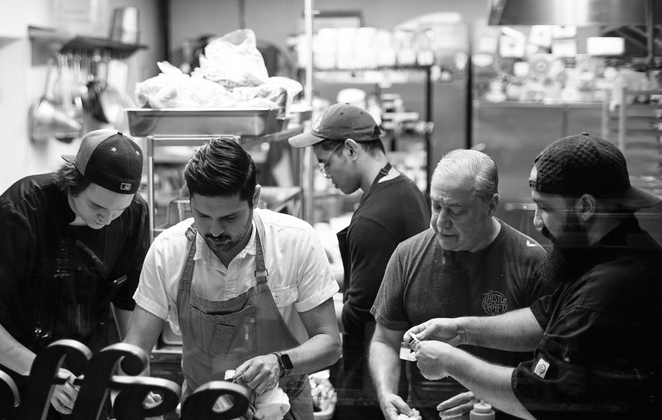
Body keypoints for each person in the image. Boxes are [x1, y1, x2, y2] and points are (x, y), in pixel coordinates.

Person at [403, 134, 662, 419]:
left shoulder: (609, 288)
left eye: (546, 207)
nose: (537, 221)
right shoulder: (603, 252)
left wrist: (451, 362)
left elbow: (538, 395)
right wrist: (460, 330)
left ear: (586, 207)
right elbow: (543, 319)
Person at [123, 137, 341, 420]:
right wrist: (137, 389)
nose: (214, 231)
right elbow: (136, 345)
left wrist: (279, 362)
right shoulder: (168, 250)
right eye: (202, 215)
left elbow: (330, 343)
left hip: (280, 408)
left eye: (229, 218)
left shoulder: (294, 242)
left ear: (255, 198)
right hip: (202, 410)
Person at [0, 129, 151, 419]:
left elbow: (130, 308)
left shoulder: (135, 212)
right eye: (97, 205)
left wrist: (137, 383)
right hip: (13, 372)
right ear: (72, 182)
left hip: (87, 377)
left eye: (118, 211)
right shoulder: (21, 209)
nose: (106, 219)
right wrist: (44, 373)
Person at [370, 149, 550, 420]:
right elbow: (384, 340)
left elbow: (547, 363)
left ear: (491, 205)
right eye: (436, 206)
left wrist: (488, 395)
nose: (441, 222)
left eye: (456, 211)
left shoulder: (530, 261)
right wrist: (386, 394)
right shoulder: (407, 255)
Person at [288, 103, 429, 402]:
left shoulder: (374, 219)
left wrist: (298, 308)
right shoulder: (402, 188)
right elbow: (378, 278)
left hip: (375, 371)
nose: (325, 173)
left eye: (325, 163)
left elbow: (360, 317)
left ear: (351, 149)